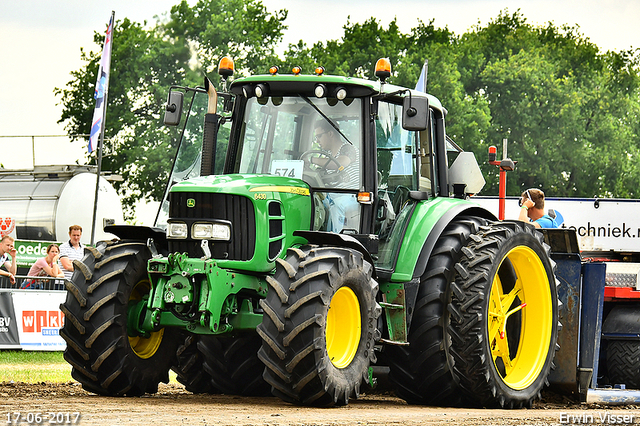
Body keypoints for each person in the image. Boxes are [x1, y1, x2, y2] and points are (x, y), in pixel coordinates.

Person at [309, 121, 360, 232]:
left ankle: (338, 241)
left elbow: (340, 163)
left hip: (352, 196)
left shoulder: (347, 149)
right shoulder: (328, 156)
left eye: (319, 136)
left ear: (330, 134)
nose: (317, 141)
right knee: (312, 202)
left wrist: (311, 160)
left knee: (337, 205)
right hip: (333, 196)